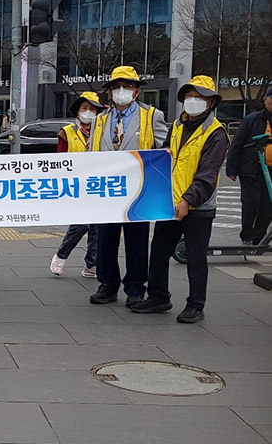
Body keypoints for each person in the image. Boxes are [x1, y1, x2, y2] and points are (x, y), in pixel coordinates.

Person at [131, 76, 228, 323]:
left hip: (198, 207)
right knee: (159, 250)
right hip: (170, 202)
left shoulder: (216, 133)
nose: (193, 101)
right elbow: (164, 157)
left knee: (195, 256)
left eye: (199, 97)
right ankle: (158, 296)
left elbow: (207, 175)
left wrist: (187, 200)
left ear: (211, 102)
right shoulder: (177, 126)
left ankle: (196, 305)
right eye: (189, 96)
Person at [88, 66, 168, 307]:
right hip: (107, 190)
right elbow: (91, 152)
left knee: (137, 240)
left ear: (137, 91)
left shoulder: (152, 116)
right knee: (105, 239)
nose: (121, 90)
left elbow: (164, 152)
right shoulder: (100, 119)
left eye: (127, 86)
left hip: (138, 190)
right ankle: (107, 284)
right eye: (117, 86)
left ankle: (135, 287)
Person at [49, 91, 106, 278]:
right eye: (84, 108)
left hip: (98, 184)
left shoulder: (104, 131)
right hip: (75, 185)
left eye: (93, 109)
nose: (88, 112)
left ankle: (91, 264)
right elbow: (59, 160)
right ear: (78, 111)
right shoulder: (67, 132)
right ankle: (61, 255)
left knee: (97, 226)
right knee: (80, 225)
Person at [225, 87, 272, 245]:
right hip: (252, 169)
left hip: (271, 171)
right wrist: (231, 169)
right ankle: (247, 236)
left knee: (268, 205)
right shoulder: (252, 120)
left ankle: (258, 237)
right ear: (265, 100)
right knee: (251, 202)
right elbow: (236, 144)